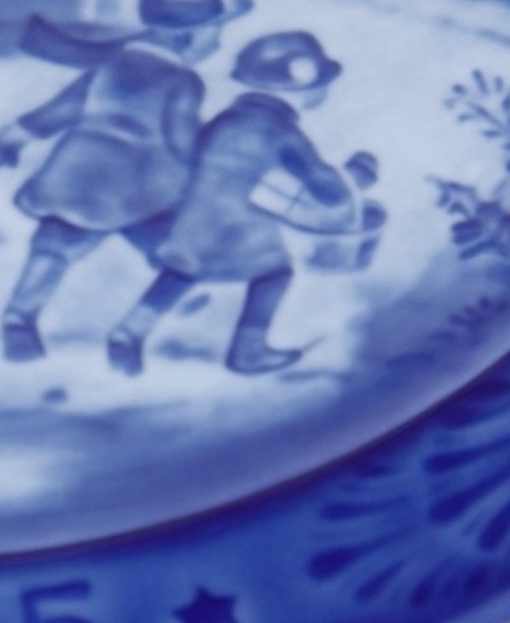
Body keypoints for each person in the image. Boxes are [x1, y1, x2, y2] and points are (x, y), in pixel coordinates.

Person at [0, 0, 253, 363]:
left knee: (55, 247)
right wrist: (216, 164)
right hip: (146, 191)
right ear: (186, 36)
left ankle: (19, 318)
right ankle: (136, 326)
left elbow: (61, 110)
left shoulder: (110, 64)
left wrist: (6, 140)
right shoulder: (184, 81)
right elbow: (182, 139)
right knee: (183, 251)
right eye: (215, 32)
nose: (219, 42)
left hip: (78, 179)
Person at [107, 31, 354, 377]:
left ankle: (130, 330)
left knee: (182, 270)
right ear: (299, 86)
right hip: (233, 225)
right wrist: (342, 191)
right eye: (319, 84)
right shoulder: (280, 131)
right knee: (274, 274)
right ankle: (248, 351)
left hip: (191, 218)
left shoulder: (226, 119)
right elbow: (321, 183)